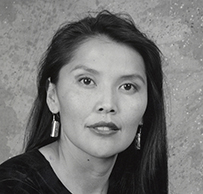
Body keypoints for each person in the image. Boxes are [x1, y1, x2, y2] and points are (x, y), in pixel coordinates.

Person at [0, 10, 168, 194]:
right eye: (86, 81)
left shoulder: (140, 184)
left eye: (127, 86)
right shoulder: (13, 186)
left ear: (146, 108)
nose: (108, 104)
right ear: (52, 96)